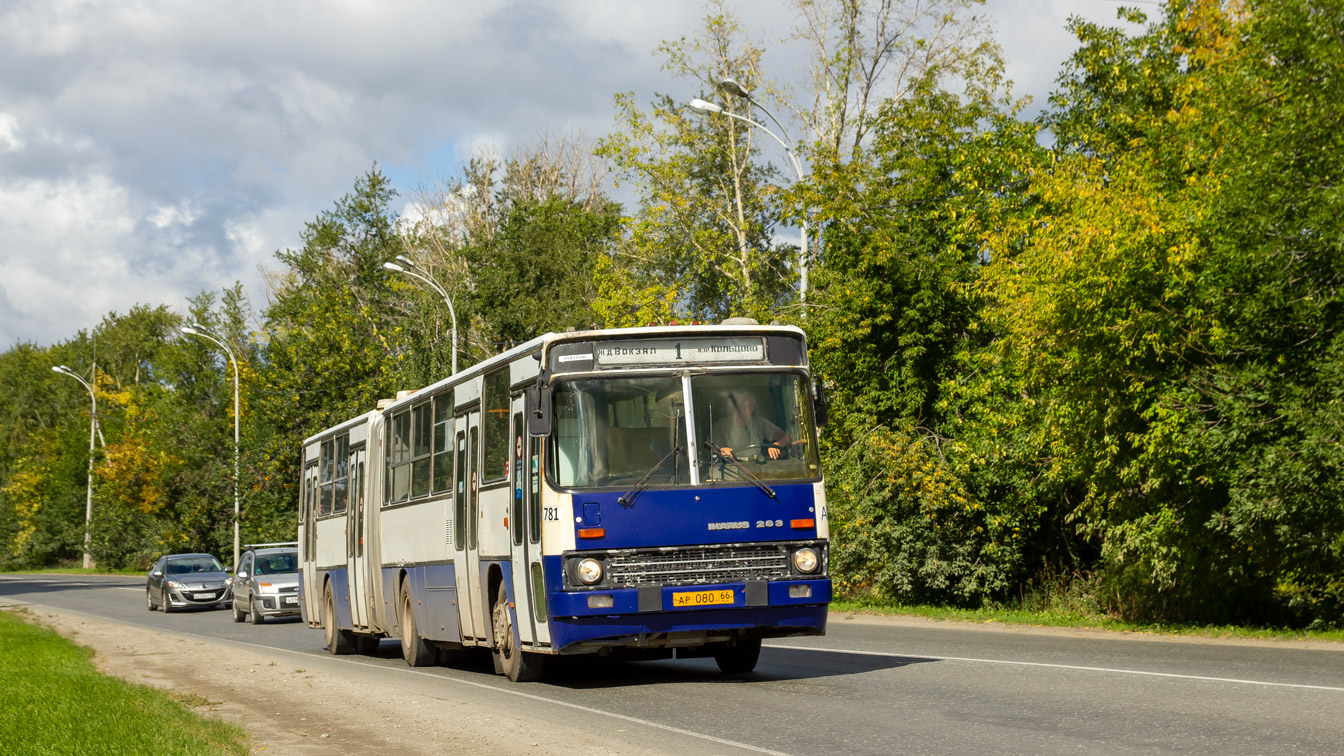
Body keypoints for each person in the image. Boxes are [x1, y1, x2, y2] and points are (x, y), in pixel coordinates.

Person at [714, 392, 790, 461]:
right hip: (733, 469)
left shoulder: (761, 422)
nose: (747, 409)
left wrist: (776, 445)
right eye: (743, 405)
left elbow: (787, 438)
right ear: (735, 405)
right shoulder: (720, 426)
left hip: (758, 466)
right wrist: (722, 450)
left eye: (750, 405)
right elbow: (711, 450)